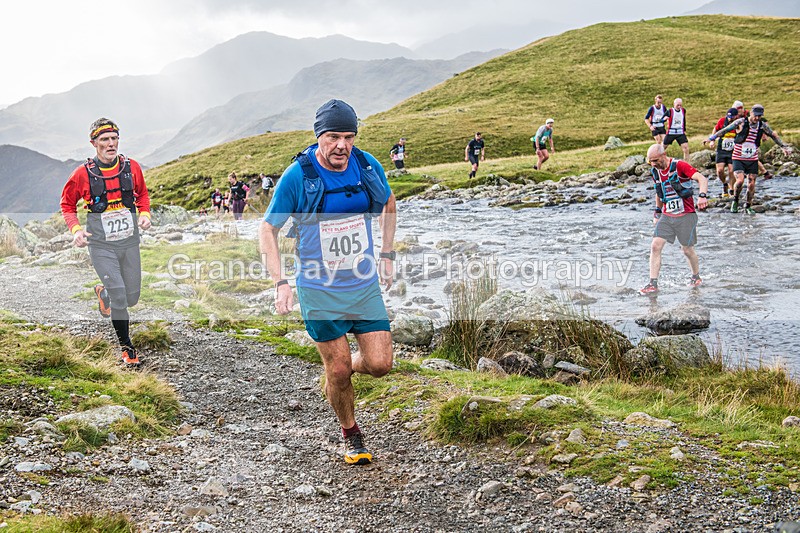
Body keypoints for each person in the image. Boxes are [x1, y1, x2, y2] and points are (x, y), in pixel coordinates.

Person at [259, 99, 396, 466]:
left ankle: (341, 372)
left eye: (348, 137)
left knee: (380, 364)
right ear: (319, 135)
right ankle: (351, 434)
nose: (341, 145)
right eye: (333, 136)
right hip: (318, 288)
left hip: (362, 283)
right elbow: (268, 229)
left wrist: (387, 253)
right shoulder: (298, 176)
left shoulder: (366, 165)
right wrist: (281, 283)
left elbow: (388, 201)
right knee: (337, 368)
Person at [60, 118, 152, 367]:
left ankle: (104, 293)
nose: (110, 144)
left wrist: (144, 213)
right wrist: (76, 230)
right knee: (120, 298)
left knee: (132, 297)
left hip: (129, 242)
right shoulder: (82, 173)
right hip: (101, 245)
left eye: (114, 138)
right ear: (94, 143)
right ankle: (127, 348)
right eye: (104, 140)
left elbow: (142, 194)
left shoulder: (132, 167)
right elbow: (67, 204)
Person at [639, 144, 708, 295]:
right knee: (655, 246)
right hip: (667, 215)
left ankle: (696, 276)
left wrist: (702, 196)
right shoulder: (655, 172)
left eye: (655, 160)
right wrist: (657, 212)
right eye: (650, 161)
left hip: (686, 215)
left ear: (664, 155)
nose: (653, 164)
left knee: (687, 249)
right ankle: (652, 284)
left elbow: (702, 178)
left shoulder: (679, 165)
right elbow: (659, 192)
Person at [708, 104, 792, 214]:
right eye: (755, 115)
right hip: (738, 157)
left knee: (751, 183)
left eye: (759, 116)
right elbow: (725, 130)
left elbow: (773, 135)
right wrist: (712, 138)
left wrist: (783, 147)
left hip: (752, 158)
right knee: (740, 181)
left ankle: (748, 206)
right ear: (751, 113)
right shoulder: (741, 122)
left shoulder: (762, 125)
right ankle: (735, 200)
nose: (757, 118)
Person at [709, 106, 739, 197]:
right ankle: (724, 183)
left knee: (731, 170)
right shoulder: (722, 121)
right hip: (721, 149)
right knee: (720, 170)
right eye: (728, 117)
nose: (730, 119)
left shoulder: (738, 123)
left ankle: (731, 189)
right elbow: (715, 129)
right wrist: (712, 140)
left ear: (736, 116)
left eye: (732, 117)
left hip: (733, 150)